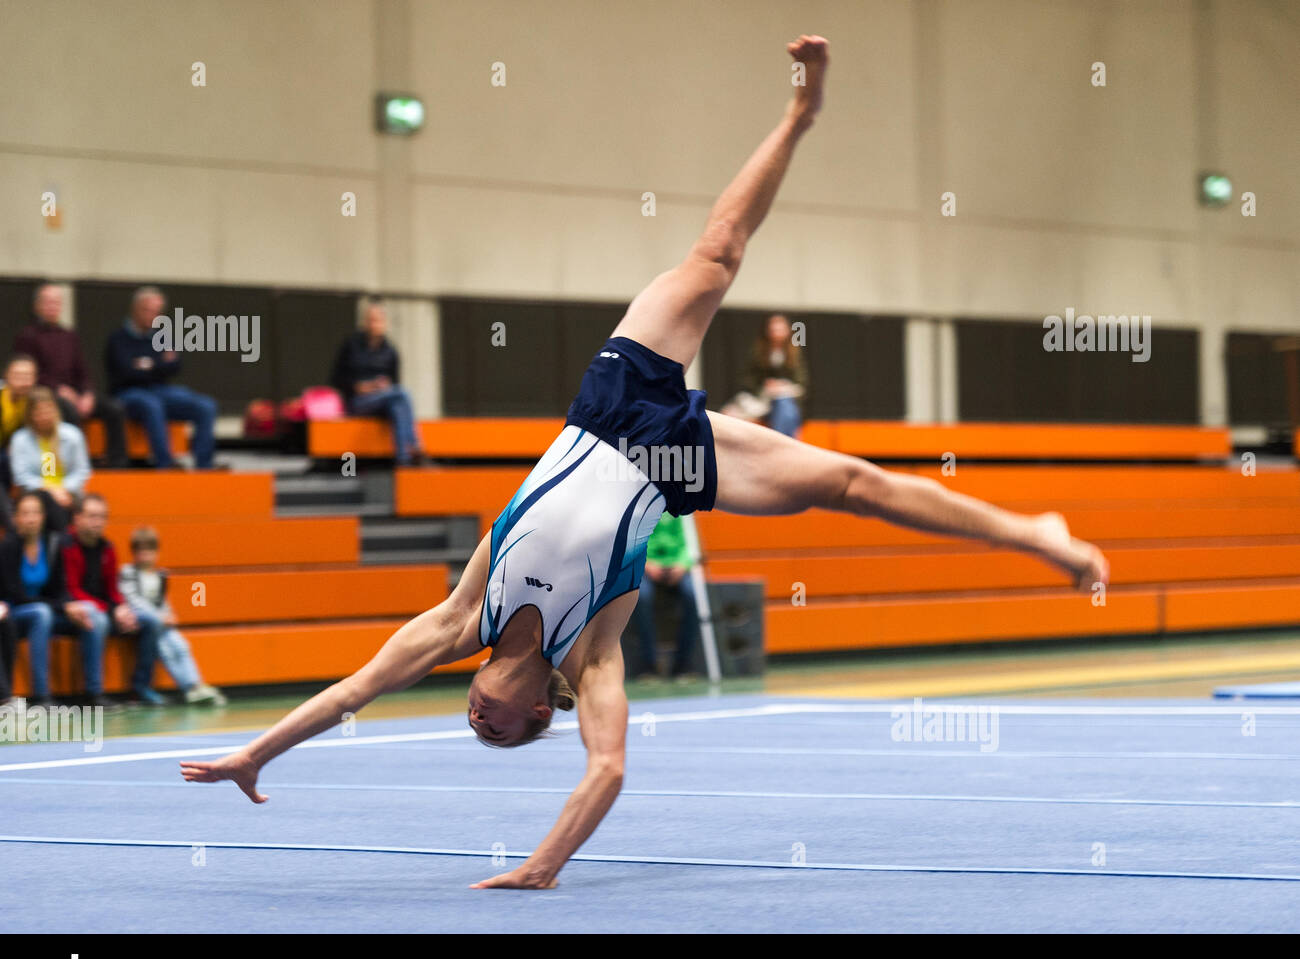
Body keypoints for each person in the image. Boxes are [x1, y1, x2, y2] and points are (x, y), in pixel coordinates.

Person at [181, 38, 1108, 891]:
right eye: (501, 735)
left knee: (716, 254)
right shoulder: (592, 657)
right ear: (540, 713)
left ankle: (800, 114)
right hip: (664, 463)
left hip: (607, 412)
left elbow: (350, 691)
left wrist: (257, 753)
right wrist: (541, 867)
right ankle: (1035, 535)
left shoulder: (462, 618)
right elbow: (609, 768)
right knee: (848, 484)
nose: (479, 725)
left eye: (477, 724)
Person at [0, 491, 101, 705]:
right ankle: (42, 694)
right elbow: (17, 595)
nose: (31, 518)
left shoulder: (52, 544)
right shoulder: (8, 546)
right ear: (16, 517)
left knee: (90, 611)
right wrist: (63, 608)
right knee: (41, 614)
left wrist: (69, 605)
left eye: (36, 513)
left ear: (43, 516)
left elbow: (60, 589)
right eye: (25, 513)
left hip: (48, 610)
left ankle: (94, 692)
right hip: (16, 614)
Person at [63, 492, 163, 705]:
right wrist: (108, 609)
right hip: (72, 612)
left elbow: (113, 590)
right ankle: (94, 693)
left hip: (104, 610)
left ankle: (141, 688)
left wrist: (121, 608)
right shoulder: (66, 545)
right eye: (92, 516)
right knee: (96, 618)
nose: (97, 522)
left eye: (102, 517)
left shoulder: (108, 548)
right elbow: (72, 590)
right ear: (77, 518)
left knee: (150, 621)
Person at [15, 283, 128, 468]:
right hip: (47, 394)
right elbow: (31, 374)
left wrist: (87, 393)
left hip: (75, 393)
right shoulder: (27, 336)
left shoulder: (69, 335)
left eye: (56, 302)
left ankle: (118, 465)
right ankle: (78, 463)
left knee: (115, 409)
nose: (53, 306)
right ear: (37, 306)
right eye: (48, 302)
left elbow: (82, 369)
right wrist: (59, 389)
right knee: (68, 409)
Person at [104, 286, 218, 469]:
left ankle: (204, 466)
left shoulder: (163, 336)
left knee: (206, 406)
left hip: (161, 391)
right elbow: (125, 371)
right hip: (128, 394)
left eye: (157, 312)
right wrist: (157, 364)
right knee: (151, 405)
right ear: (135, 309)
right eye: (147, 311)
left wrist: (145, 364)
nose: (153, 316)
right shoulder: (118, 339)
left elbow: (174, 365)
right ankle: (165, 465)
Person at [119, 526, 225, 705]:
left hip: (160, 622)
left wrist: (169, 615)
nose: (145, 556)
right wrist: (159, 617)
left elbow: (162, 601)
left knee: (181, 645)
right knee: (165, 650)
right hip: (143, 622)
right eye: (141, 552)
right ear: (134, 552)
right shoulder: (128, 572)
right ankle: (188, 688)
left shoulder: (161, 575)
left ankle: (197, 685)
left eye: (150, 551)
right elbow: (133, 599)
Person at [329, 301, 426, 466]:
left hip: (383, 402)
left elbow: (394, 384)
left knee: (398, 404)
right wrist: (359, 387)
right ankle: (415, 446)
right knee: (402, 394)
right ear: (365, 322)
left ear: (384, 323)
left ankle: (403, 460)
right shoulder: (351, 346)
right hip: (357, 402)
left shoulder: (390, 351)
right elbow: (336, 379)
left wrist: (383, 387)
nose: (374, 324)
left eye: (378, 320)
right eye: (371, 320)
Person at [8, 387, 92, 533]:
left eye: (48, 410)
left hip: (69, 493)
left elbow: (82, 471)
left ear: (55, 410)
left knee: (88, 508)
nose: (44, 416)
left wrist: (63, 490)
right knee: (43, 502)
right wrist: (51, 491)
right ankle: (63, 540)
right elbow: (21, 476)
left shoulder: (72, 435)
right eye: (38, 412)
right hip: (34, 494)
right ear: (30, 415)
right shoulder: (20, 439)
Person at [630, 511, 699, 682]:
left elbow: (689, 543)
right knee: (641, 597)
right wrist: (646, 563)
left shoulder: (682, 507)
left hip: (677, 566)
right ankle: (649, 665)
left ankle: (682, 665)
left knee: (692, 596)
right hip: (646, 566)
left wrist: (683, 565)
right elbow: (632, 542)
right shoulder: (638, 509)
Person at [0, 353, 39, 533]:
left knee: (48, 498)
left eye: (28, 376)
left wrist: (54, 483)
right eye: (18, 376)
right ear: (7, 376)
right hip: (11, 463)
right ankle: (14, 524)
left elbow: (50, 446)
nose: (23, 382)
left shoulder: (39, 402)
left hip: (38, 468)